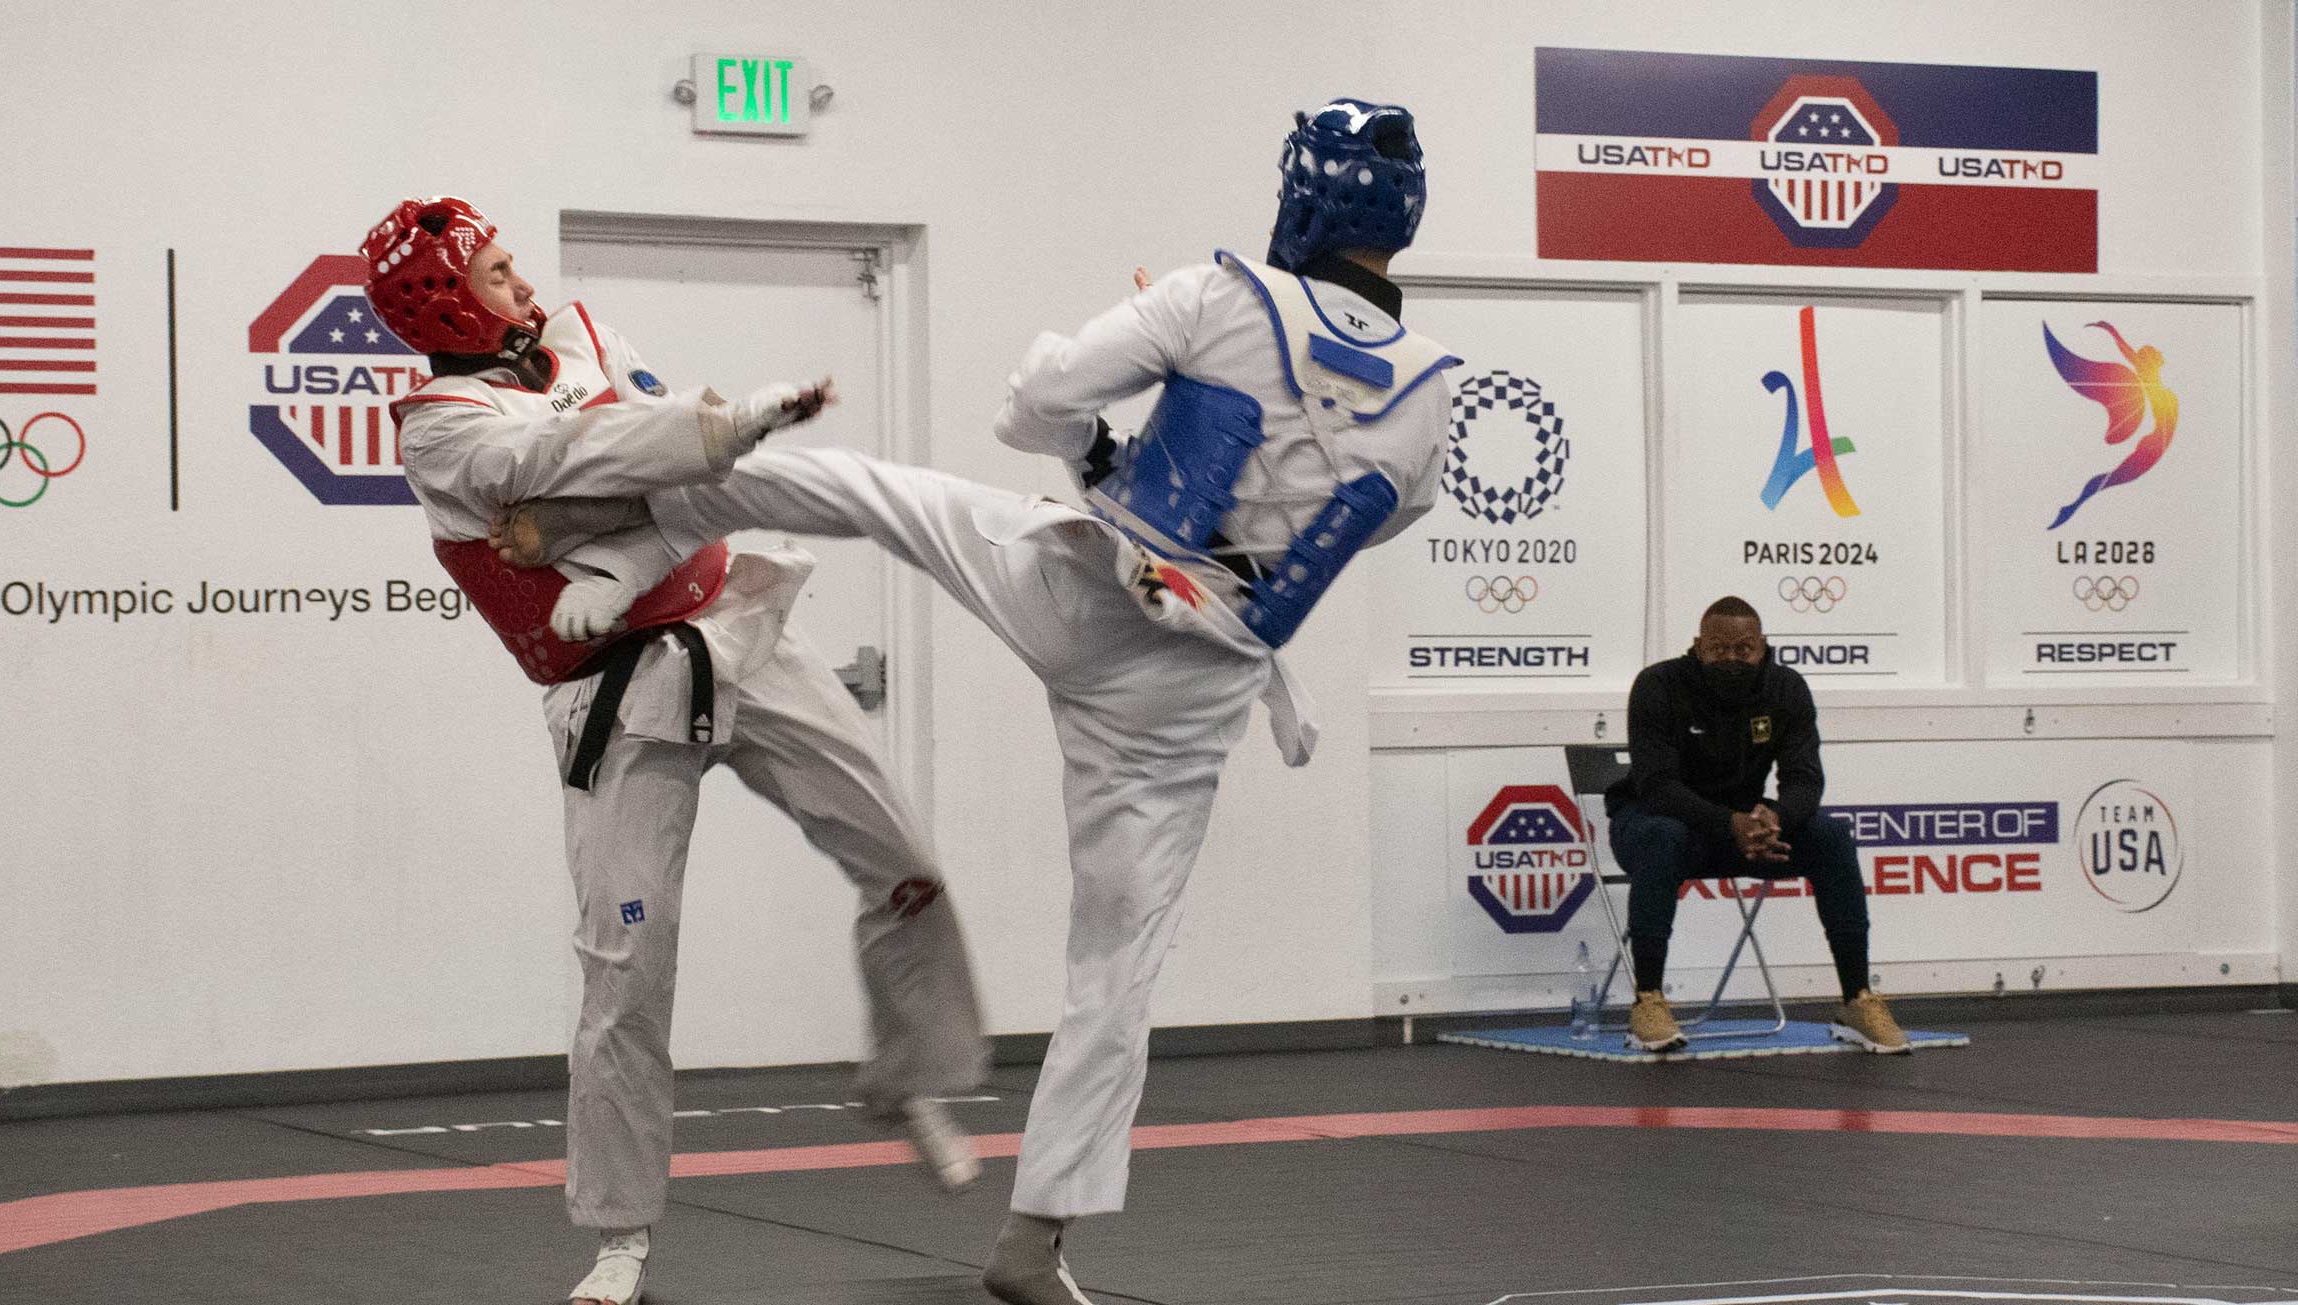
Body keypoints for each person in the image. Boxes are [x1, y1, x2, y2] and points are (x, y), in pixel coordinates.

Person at [490, 99, 1458, 1305]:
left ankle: (640, 549)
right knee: (1119, 972)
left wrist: (1108, 441)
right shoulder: (1434, 394)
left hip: (1081, 589)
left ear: (1301, 194)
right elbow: (1340, 524)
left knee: (860, 488)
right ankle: (1037, 1238)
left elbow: (1032, 404)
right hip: (1192, 683)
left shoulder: (1219, 299)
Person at [359, 196, 989, 1305]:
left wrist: (590, 535)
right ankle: (619, 1236)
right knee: (626, 969)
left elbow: (655, 489)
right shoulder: (440, 430)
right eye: (498, 272)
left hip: (740, 629)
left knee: (904, 863)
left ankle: (911, 1076)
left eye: (512, 263)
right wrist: (707, 431)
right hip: (616, 700)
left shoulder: (590, 336)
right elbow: (572, 449)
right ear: (452, 302)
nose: (525, 284)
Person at [1604, 596, 1907, 1054]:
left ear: (1762, 647)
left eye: (1743, 649)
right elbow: (1657, 786)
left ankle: (1857, 1000)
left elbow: (1805, 778)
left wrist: (1776, 818)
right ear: (1698, 647)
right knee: (1663, 836)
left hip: (1745, 831)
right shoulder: (1659, 685)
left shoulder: (1786, 689)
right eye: (1719, 649)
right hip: (1659, 824)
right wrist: (1731, 824)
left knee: (1830, 834)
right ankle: (1648, 1000)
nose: (1731, 658)